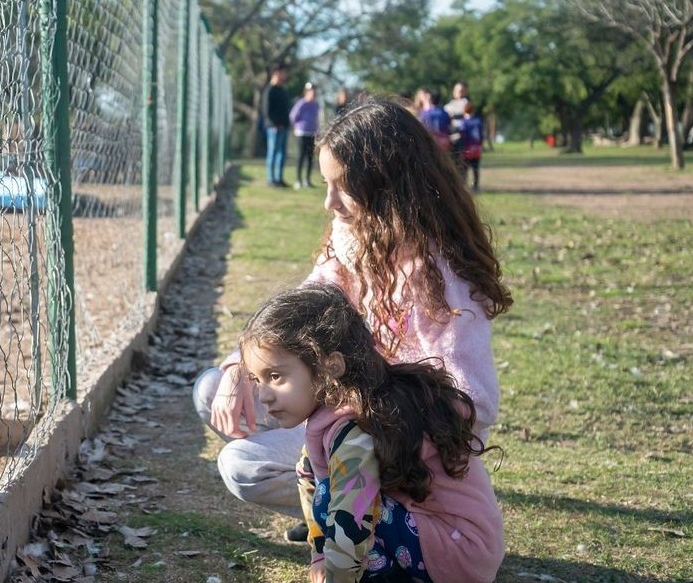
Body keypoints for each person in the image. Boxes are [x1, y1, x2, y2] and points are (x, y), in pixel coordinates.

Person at [193, 96, 512, 544]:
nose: (328, 202)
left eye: (342, 186)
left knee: (242, 467)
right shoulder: (353, 243)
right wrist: (236, 368)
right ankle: (330, 506)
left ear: (386, 184)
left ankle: (361, 516)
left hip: (393, 438)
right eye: (326, 184)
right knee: (213, 389)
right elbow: (296, 313)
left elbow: (475, 402)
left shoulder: (441, 276)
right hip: (342, 414)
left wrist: (369, 415)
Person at [237, 283, 504, 583]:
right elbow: (309, 477)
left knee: (339, 499)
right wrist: (320, 558)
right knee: (320, 483)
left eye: (276, 376)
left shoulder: (354, 427)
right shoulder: (346, 410)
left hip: (461, 551)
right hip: (455, 544)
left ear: (329, 367)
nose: (264, 394)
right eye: (257, 379)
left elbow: (351, 520)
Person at [264, 65, 292, 188]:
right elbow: (266, 110)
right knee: (273, 152)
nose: (284, 75)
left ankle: (279, 178)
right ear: (276, 73)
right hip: (274, 128)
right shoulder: (270, 90)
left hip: (284, 127)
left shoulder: (283, 90)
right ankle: (271, 179)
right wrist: (274, 124)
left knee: (281, 154)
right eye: (283, 73)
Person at [289, 83, 321, 189]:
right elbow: (293, 116)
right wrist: (297, 126)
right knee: (301, 157)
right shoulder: (301, 103)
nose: (313, 92)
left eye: (314, 90)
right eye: (310, 90)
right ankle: (298, 180)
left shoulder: (316, 104)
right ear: (306, 92)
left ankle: (307, 180)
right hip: (301, 133)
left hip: (312, 133)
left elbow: (317, 119)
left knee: (310, 157)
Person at [459, 102, 484, 191]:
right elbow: (481, 135)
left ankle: (464, 184)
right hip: (476, 147)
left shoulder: (464, 122)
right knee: (475, 168)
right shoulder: (478, 121)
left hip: (468, 148)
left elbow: (462, 135)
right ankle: (476, 185)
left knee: (465, 168)